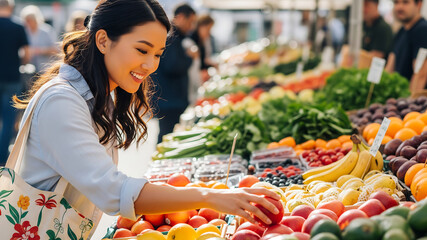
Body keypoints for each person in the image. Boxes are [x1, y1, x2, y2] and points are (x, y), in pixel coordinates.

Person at [12, 0, 280, 236]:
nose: (151, 65)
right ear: (103, 40)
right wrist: (210, 197)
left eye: (158, 54)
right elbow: (112, 191)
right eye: (142, 50)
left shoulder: (96, 95)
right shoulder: (62, 101)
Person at [152, 3, 198, 143]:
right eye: (190, 22)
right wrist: (190, 57)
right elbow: (172, 67)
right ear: (181, 17)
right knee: (166, 135)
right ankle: (160, 163)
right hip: (169, 99)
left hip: (169, 98)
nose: (191, 27)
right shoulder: (171, 37)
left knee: (167, 134)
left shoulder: (174, 36)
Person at [0, 0, 29, 165]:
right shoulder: (18, 26)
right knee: (9, 119)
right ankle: (2, 159)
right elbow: (27, 54)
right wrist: (21, 63)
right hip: (12, 78)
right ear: (10, 7)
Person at [385, 0, 427, 91]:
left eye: (405, 2)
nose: (399, 7)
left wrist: (409, 102)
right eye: (396, 3)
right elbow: (390, 66)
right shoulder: (401, 31)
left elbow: (421, 74)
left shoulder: (423, 30)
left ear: (419, 4)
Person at [21, 5, 58, 74]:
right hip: (29, 70)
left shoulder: (47, 31)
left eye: (30, 20)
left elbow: (55, 50)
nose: (28, 23)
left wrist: (39, 51)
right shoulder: (25, 31)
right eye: (26, 20)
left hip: (45, 69)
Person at [188, 14, 215, 104]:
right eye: (208, 29)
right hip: (191, 82)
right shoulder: (190, 40)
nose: (208, 33)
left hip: (198, 80)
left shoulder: (202, 40)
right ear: (201, 26)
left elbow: (202, 60)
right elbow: (194, 64)